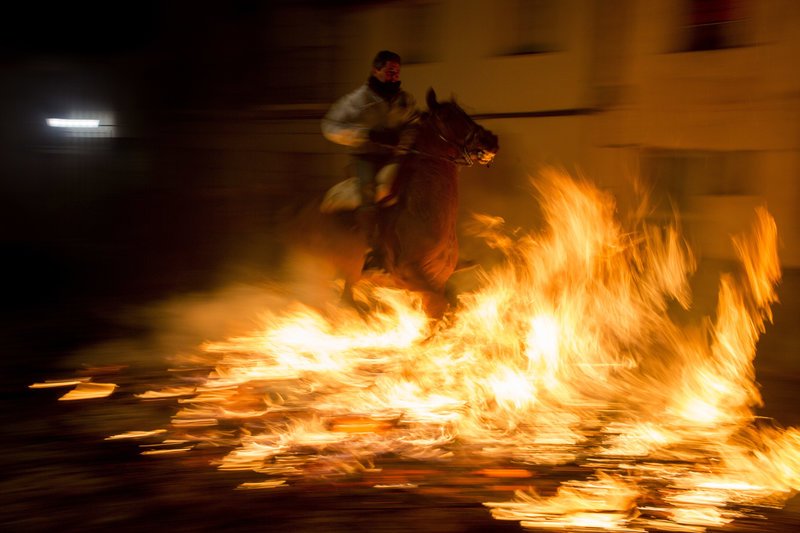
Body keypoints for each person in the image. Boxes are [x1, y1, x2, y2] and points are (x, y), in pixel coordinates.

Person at [321, 50, 419, 272]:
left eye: (397, 71)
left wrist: (405, 139)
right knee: (370, 192)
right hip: (366, 158)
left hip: (396, 156)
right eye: (389, 70)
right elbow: (330, 126)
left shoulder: (404, 99)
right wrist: (366, 134)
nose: (394, 74)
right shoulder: (357, 100)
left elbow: (414, 122)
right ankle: (371, 251)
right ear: (376, 70)